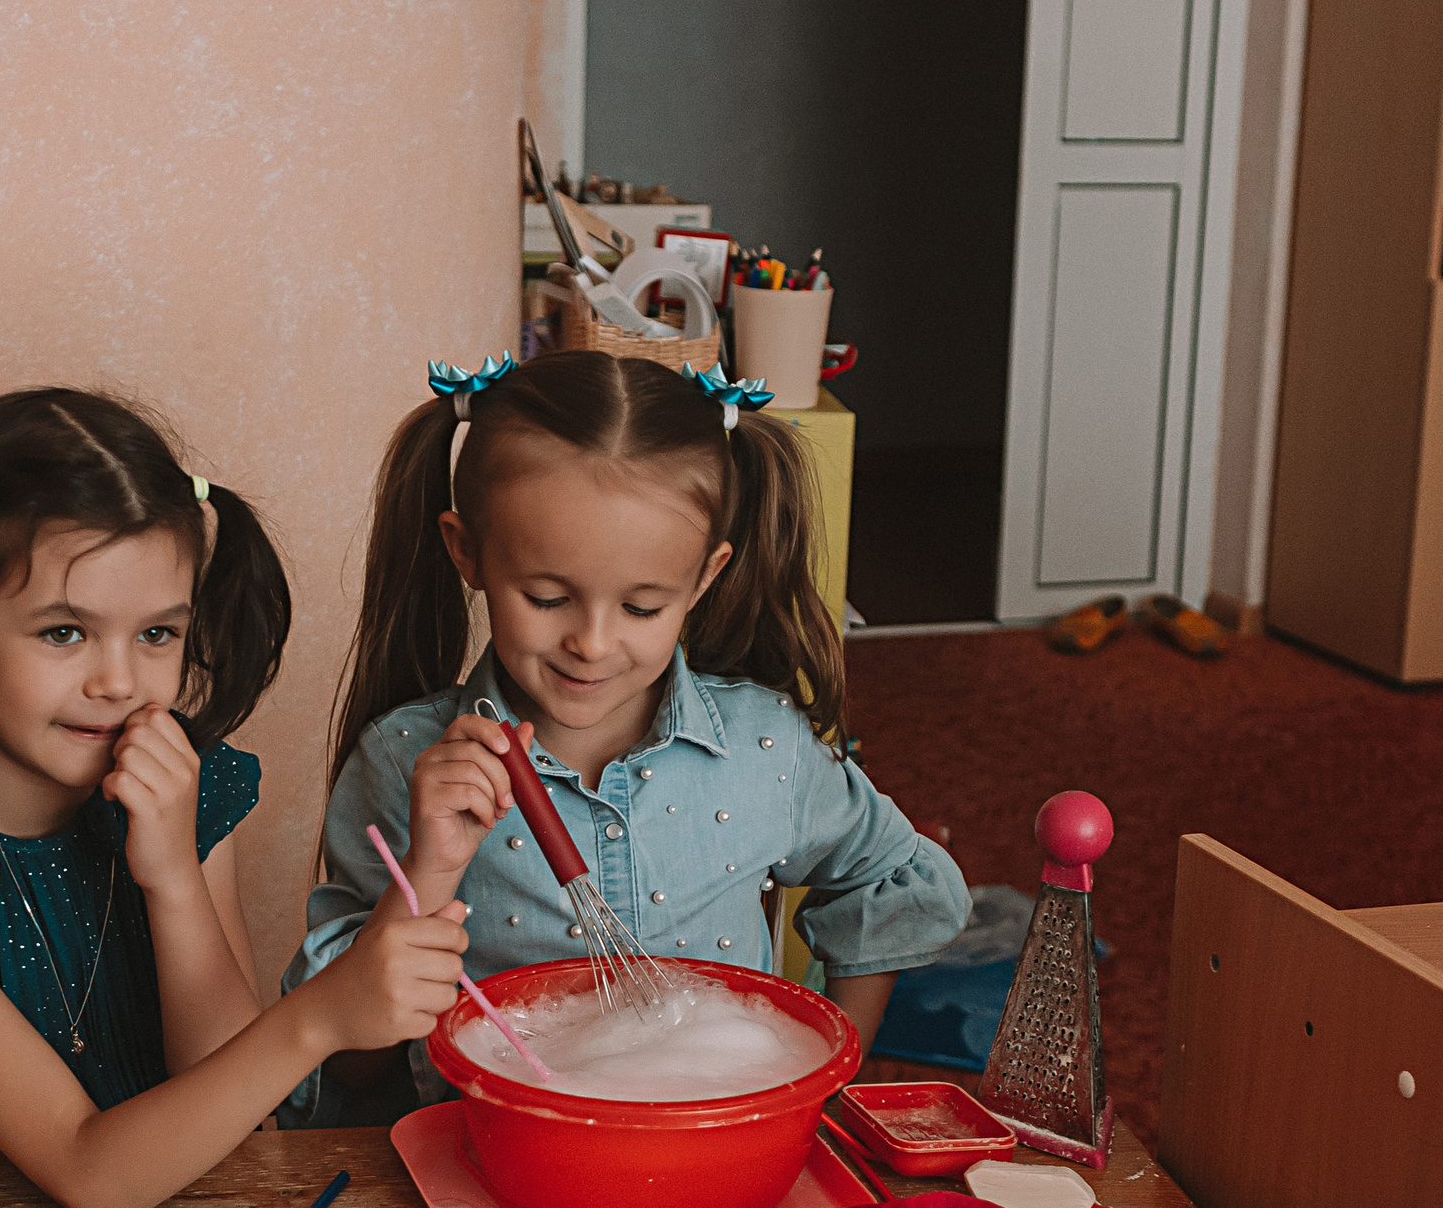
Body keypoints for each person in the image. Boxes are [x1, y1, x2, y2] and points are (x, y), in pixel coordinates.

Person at [0, 388, 468, 1208]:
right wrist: (322, 1016)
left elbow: (235, 1103)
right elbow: (92, 1175)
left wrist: (174, 874)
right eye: (64, 632)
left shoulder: (181, 790)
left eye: (157, 634)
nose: (118, 682)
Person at [280, 350, 968, 1124]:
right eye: (546, 597)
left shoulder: (765, 751)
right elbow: (347, 1061)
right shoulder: (404, 761)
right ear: (466, 551)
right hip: (501, 1164)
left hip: (721, 1164)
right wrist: (429, 872)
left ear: (703, 579)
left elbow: (883, 880)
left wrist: (828, 1077)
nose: (593, 643)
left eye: (642, 607)